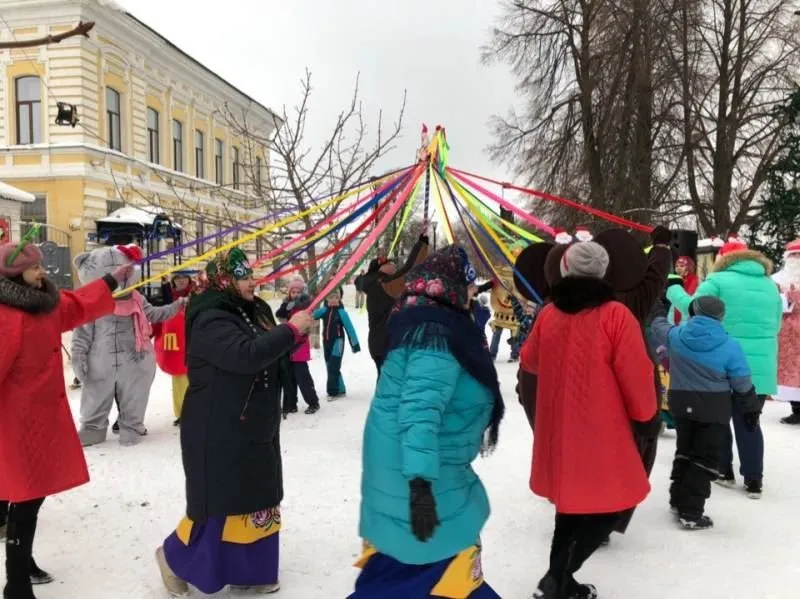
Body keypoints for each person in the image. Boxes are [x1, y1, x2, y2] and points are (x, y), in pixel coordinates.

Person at [155, 248, 313, 597]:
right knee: (222, 505)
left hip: (253, 421)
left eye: (252, 275)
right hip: (219, 426)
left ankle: (250, 570)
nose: (252, 282)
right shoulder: (211, 316)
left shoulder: (254, 309)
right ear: (224, 281)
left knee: (257, 500)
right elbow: (245, 355)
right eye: (243, 277)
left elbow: (267, 349)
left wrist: (292, 336)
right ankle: (172, 558)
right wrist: (290, 331)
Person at [352, 245, 503, 599]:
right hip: (419, 471)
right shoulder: (435, 336)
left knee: (424, 570)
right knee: (428, 570)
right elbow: (419, 412)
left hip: (419, 462)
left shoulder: (429, 318)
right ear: (450, 285)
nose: (471, 292)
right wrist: (420, 488)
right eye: (468, 285)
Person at [519, 242, 657, 599]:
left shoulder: (549, 314)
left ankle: (558, 581)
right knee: (616, 503)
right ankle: (557, 578)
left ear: (564, 271)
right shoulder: (616, 315)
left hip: (560, 427)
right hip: (601, 428)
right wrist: (646, 416)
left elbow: (530, 360)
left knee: (570, 507)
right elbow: (636, 372)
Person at [0, 238, 132, 598]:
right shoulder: (8, 318)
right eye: (34, 267)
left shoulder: (43, 304)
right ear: (14, 273)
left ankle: (21, 563)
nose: (42, 272)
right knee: (25, 498)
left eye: (40, 265)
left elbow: (78, 305)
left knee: (30, 496)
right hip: (15, 424)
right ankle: (16, 582)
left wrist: (110, 281)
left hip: (44, 419)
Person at [667, 237, 782, 498]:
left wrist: (673, 288)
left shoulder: (716, 282)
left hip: (721, 362)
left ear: (723, 259)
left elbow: (692, 311)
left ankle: (724, 470)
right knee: (750, 421)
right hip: (760, 366)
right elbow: (776, 326)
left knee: (718, 420)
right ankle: (754, 481)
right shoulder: (769, 286)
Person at [649, 296, 761, 530]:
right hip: (713, 408)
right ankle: (690, 511)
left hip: (681, 403)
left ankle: (677, 500)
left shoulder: (677, 336)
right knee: (705, 458)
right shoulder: (730, 345)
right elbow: (741, 381)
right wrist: (750, 407)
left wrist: (659, 306)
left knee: (684, 450)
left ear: (694, 311)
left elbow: (658, 326)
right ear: (721, 317)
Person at [361, 226, 430, 374]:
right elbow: (409, 270)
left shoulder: (376, 283)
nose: (393, 264)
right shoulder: (384, 285)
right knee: (390, 384)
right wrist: (421, 244)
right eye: (389, 263)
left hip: (381, 342)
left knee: (387, 382)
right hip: (386, 343)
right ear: (380, 268)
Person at [152, 271, 196, 426]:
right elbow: (157, 317)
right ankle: (182, 413)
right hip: (175, 343)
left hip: (193, 340)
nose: (182, 281)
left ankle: (197, 411)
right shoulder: (166, 296)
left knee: (196, 378)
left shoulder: (196, 294)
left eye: (184, 278)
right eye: (178, 278)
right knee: (179, 379)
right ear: (174, 281)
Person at [276, 277, 321, 415]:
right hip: (288, 345)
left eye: (298, 291)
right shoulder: (287, 305)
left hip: (300, 346)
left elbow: (308, 322)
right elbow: (279, 315)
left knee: (302, 377)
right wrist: (285, 306)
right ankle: (290, 404)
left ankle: (313, 402)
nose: (295, 294)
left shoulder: (304, 306)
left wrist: (299, 305)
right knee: (289, 377)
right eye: (293, 292)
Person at [312, 288, 360, 399]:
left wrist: (355, 344)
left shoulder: (341, 312)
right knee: (330, 366)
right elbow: (311, 315)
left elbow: (350, 328)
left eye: (336, 297)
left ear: (339, 299)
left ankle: (332, 392)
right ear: (327, 299)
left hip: (338, 342)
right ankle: (341, 389)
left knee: (333, 366)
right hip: (326, 342)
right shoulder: (323, 310)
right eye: (331, 297)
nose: (333, 300)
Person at [773, 239, 800, 424]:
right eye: (794, 256)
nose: (796, 259)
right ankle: (796, 409)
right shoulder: (777, 280)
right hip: (786, 333)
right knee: (790, 372)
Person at [672, 256, 699, 324]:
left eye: (682, 266)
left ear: (688, 268)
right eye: (677, 266)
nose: (678, 268)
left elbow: (685, 301)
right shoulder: (678, 280)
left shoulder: (693, 281)